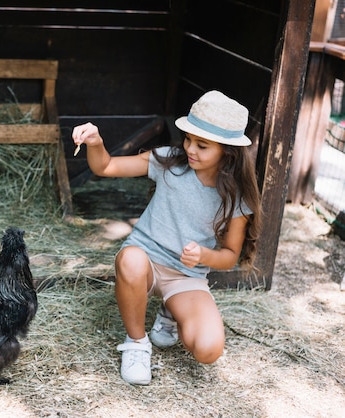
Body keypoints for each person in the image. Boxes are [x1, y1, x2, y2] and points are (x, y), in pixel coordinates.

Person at [71, 90, 262, 385]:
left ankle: (171, 309)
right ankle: (136, 344)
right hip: (145, 262)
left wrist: (203, 255)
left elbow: (229, 257)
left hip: (187, 276)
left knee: (209, 350)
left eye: (202, 145)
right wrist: (96, 142)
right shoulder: (169, 161)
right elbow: (105, 166)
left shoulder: (235, 196)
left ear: (228, 151)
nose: (190, 149)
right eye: (188, 139)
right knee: (131, 260)